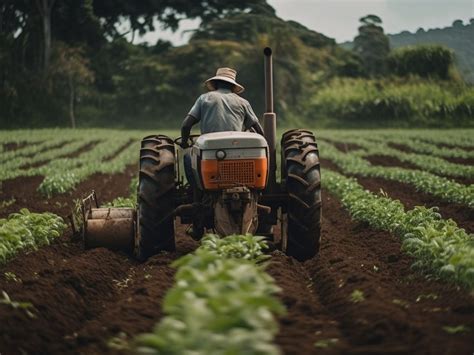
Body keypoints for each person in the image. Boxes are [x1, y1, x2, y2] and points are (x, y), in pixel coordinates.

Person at [180, 67, 264, 149]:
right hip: (235, 148)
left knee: (188, 158)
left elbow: (186, 125)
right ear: (233, 86)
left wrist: (184, 142)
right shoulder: (243, 102)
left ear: (215, 84)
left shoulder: (204, 98)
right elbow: (259, 131)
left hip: (209, 148)